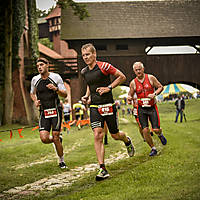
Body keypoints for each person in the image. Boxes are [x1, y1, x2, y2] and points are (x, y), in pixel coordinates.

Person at [81, 43, 134, 181]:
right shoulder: (84, 72)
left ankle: (127, 140)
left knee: (115, 135)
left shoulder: (104, 66)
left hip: (108, 105)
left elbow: (122, 76)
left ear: (94, 54)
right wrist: (87, 96)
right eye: (83, 55)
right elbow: (89, 84)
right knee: (98, 135)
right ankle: (102, 168)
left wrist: (108, 88)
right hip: (94, 107)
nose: (85, 57)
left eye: (88, 54)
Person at [30, 57, 68, 169]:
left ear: (47, 65)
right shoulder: (35, 79)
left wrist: (56, 89)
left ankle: (61, 161)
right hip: (44, 112)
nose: (39, 67)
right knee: (44, 138)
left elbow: (65, 94)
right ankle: (57, 140)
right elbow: (32, 93)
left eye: (41, 65)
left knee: (55, 136)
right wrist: (35, 101)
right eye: (38, 66)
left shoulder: (56, 77)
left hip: (56, 110)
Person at [128, 61, 167, 157]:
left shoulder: (150, 78)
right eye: (136, 70)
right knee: (144, 130)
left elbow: (160, 87)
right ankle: (153, 148)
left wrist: (154, 94)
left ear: (143, 69)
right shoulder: (133, 83)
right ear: (134, 71)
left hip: (152, 107)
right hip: (141, 109)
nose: (138, 71)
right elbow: (130, 94)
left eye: (139, 69)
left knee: (156, 129)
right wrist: (129, 98)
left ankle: (160, 134)